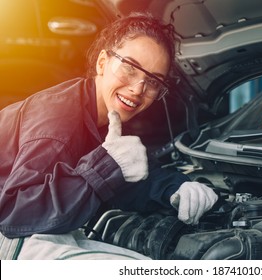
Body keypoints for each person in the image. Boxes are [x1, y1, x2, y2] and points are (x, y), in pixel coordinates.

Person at [0, 12, 218, 259]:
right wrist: (103, 169)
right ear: (102, 62)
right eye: (130, 68)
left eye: (154, 82)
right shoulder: (58, 116)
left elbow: (133, 178)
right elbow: (15, 213)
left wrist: (177, 188)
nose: (138, 89)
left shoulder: (104, 121)